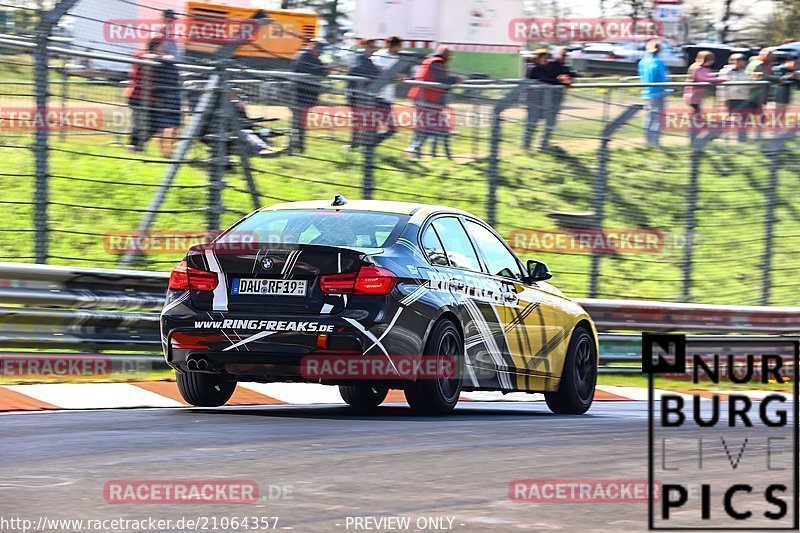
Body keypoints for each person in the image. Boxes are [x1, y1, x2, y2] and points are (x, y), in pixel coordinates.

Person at [405, 45, 462, 159]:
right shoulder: (437, 62)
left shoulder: (429, 61)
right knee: (435, 125)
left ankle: (419, 150)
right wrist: (457, 79)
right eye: (450, 55)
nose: (450, 58)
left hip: (422, 97)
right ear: (445, 54)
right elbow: (441, 79)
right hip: (427, 98)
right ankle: (416, 148)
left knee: (426, 124)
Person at [290, 39, 329, 153]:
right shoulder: (303, 55)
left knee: (301, 122)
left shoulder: (316, 59)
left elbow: (321, 72)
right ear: (313, 46)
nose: (320, 52)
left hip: (308, 95)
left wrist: (324, 69)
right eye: (318, 49)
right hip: (299, 94)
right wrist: (322, 69)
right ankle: (296, 146)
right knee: (297, 122)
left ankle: (299, 146)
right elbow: (304, 70)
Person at [124, 37, 162, 152]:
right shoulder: (140, 54)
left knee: (157, 123)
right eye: (161, 45)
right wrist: (161, 57)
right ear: (156, 45)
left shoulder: (159, 58)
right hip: (137, 96)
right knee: (139, 123)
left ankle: (138, 144)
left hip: (152, 98)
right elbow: (145, 57)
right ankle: (134, 146)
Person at [539, 46, 576, 149]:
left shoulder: (564, 67)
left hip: (556, 99)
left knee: (551, 122)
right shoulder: (551, 65)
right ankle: (531, 145)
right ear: (556, 54)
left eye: (566, 55)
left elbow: (572, 76)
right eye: (563, 55)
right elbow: (546, 79)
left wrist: (568, 79)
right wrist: (559, 80)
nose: (565, 57)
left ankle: (544, 143)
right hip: (544, 98)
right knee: (537, 121)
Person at [683, 51, 726, 139]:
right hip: (692, 96)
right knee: (696, 117)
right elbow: (701, 79)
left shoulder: (705, 69)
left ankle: (697, 134)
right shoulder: (696, 68)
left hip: (698, 97)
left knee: (697, 116)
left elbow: (709, 77)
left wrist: (718, 78)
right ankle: (695, 135)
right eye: (710, 59)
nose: (712, 62)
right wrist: (719, 80)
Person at [150, 39, 182, 158]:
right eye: (162, 44)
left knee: (170, 126)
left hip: (168, 92)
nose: (165, 46)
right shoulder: (156, 58)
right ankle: (167, 153)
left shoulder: (163, 58)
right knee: (169, 126)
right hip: (167, 93)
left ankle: (167, 152)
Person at [637, 40, 670, 147]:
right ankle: (655, 142)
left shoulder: (643, 61)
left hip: (646, 92)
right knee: (658, 118)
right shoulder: (658, 62)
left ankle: (648, 140)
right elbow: (662, 77)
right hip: (658, 92)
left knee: (649, 117)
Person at [719, 53, 752, 142]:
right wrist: (722, 99)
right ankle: (723, 136)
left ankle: (742, 138)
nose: (736, 62)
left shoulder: (747, 71)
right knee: (729, 118)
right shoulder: (725, 71)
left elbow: (749, 83)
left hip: (744, 98)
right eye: (734, 60)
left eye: (740, 60)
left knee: (744, 118)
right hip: (731, 98)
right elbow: (721, 87)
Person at [523, 48, 549, 149]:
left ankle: (542, 145)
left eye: (545, 57)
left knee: (545, 122)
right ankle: (527, 145)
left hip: (542, 100)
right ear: (536, 58)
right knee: (532, 123)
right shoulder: (532, 68)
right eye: (541, 57)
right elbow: (542, 80)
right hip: (533, 101)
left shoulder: (543, 68)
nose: (544, 59)